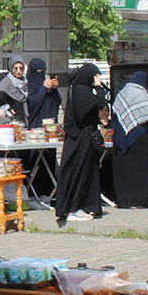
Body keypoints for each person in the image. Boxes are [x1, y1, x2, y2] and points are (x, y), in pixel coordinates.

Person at [54, 64, 110, 224]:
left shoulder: (81, 90)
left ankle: (88, 205)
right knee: (77, 172)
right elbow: (97, 104)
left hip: (82, 139)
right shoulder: (80, 91)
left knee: (88, 172)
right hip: (79, 139)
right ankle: (72, 207)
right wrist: (99, 88)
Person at [111, 71, 148, 208]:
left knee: (125, 172)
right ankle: (142, 200)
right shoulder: (142, 93)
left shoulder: (122, 94)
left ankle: (125, 200)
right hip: (141, 138)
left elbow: (116, 114)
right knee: (141, 171)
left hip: (122, 138)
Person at [24, 58, 62, 128]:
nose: (41, 73)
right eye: (39, 71)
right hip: (36, 127)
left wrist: (54, 89)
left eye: (43, 70)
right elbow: (32, 104)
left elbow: (57, 102)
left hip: (51, 126)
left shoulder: (47, 85)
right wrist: (44, 88)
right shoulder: (29, 85)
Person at [0, 56, 28, 121]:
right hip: (10, 119)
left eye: (21, 68)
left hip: (23, 117)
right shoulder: (6, 83)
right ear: (11, 68)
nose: (18, 71)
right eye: (15, 68)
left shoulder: (25, 81)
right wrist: (8, 109)